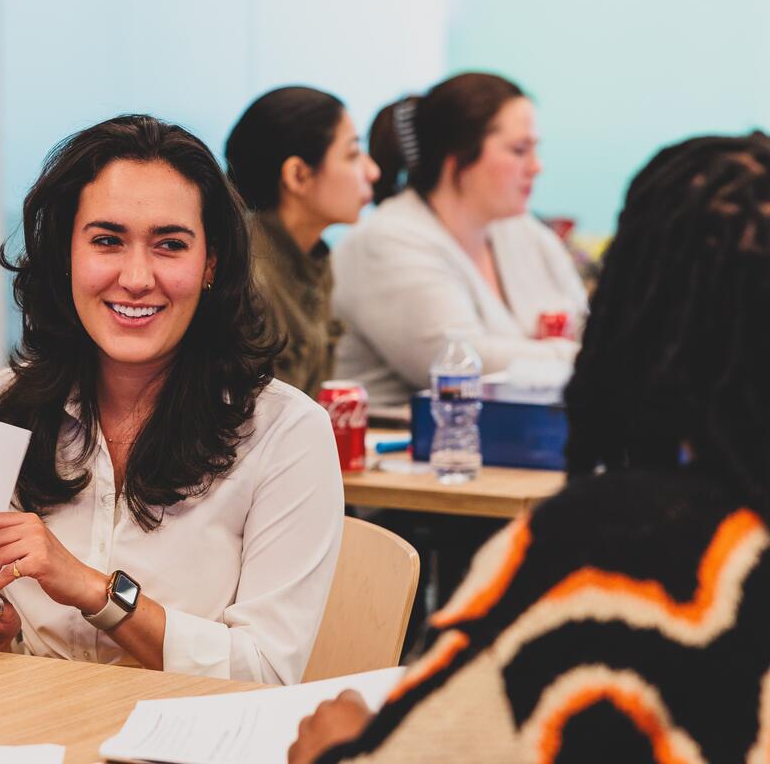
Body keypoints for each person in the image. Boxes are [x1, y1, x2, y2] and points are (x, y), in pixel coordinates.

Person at [288, 132, 770, 761]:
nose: (535, 165)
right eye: (519, 147)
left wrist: (340, 751)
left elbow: (429, 747)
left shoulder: (616, 549)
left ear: (636, 301)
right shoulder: (398, 242)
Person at [0, 115, 344, 686]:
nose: (136, 277)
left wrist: (97, 591)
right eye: (107, 241)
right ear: (65, 255)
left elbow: (266, 673)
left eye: (170, 245)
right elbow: (14, 657)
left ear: (211, 265)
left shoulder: (286, 432)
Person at [333, 73, 588, 406]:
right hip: (402, 447)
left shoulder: (521, 229)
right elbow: (459, 362)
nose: (536, 167)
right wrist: (584, 357)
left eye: (535, 149)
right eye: (519, 150)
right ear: (457, 156)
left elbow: (587, 324)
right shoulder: (384, 241)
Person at [225, 86, 380, 398]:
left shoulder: (315, 260)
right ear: (298, 175)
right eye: (351, 154)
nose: (372, 171)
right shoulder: (248, 275)